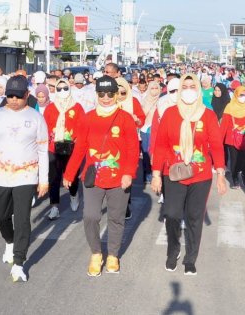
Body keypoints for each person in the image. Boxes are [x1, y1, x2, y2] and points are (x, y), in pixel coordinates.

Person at [0, 75, 49, 282]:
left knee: (23, 219)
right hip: (1, 175)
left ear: (27, 95)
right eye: (10, 96)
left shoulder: (36, 118)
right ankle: (9, 241)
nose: (14, 100)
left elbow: (43, 150)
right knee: (2, 218)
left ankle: (19, 262)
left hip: (26, 175)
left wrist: (44, 179)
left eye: (18, 96)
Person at [63, 76, 139, 277]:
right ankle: (96, 253)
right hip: (93, 177)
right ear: (96, 94)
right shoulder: (87, 117)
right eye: (101, 94)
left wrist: (128, 173)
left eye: (110, 94)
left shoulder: (125, 118)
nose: (106, 98)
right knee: (91, 216)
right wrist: (69, 173)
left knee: (116, 218)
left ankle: (113, 254)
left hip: (119, 178)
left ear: (116, 95)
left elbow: (133, 149)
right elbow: (80, 148)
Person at [151, 74, 227, 275]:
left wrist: (220, 173)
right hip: (173, 173)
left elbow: (217, 147)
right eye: (184, 86)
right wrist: (156, 174)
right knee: (173, 214)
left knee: (194, 218)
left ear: (198, 89)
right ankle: (173, 250)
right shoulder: (169, 113)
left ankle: (190, 258)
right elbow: (160, 146)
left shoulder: (208, 115)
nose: (188, 89)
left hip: (200, 176)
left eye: (192, 86)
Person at [45, 79, 85, 220]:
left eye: (65, 88)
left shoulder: (77, 107)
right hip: (53, 147)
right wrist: (52, 134)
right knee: (54, 178)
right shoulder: (51, 107)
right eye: (59, 89)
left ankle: (74, 195)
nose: (62, 91)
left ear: (69, 89)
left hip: (71, 147)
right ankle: (54, 206)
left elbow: (82, 127)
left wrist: (74, 137)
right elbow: (45, 126)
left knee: (71, 175)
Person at [116, 77, 146, 220]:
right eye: (118, 92)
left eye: (123, 93)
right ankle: (115, 203)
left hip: (129, 144)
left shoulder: (133, 102)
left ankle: (126, 204)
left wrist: (136, 120)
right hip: (112, 145)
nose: (120, 95)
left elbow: (141, 119)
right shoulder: (109, 102)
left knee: (126, 174)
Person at [220, 86, 245, 189]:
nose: (243, 97)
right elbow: (224, 124)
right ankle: (234, 179)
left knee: (242, 159)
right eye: (241, 95)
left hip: (243, 138)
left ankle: (240, 174)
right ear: (236, 95)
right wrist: (219, 140)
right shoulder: (229, 107)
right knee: (234, 160)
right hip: (232, 138)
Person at [140, 81, 161, 184]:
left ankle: (156, 174)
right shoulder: (144, 100)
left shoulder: (162, 101)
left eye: (156, 88)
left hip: (158, 130)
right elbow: (141, 115)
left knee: (156, 153)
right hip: (146, 130)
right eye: (152, 88)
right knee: (146, 153)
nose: (154, 91)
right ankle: (147, 174)